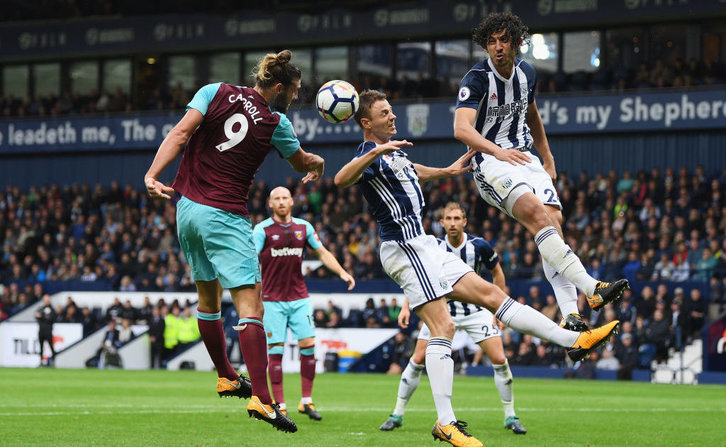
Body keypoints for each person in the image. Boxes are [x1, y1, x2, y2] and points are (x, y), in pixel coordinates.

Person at [335, 89, 619, 447]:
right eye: (385, 113)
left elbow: (412, 171)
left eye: (391, 111)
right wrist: (375, 150)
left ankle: (575, 341)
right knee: (444, 326)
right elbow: (340, 180)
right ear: (366, 123)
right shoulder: (369, 154)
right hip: (404, 248)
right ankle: (446, 422)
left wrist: (447, 170)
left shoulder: (394, 156)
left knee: (491, 293)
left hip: (425, 244)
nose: (393, 117)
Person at [144, 49, 325, 433]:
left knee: (207, 300)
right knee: (251, 307)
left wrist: (152, 174)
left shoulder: (214, 90)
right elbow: (298, 162)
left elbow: (179, 133)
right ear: (277, 88)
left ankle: (226, 374)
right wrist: (316, 163)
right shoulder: (276, 122)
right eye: (292, 93)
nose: (293, 100)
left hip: (187, 209)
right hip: (225, 216)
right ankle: (263, 398)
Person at [452, 12, 629, 333]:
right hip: (490, 161)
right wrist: (496, 150)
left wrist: (547, 158)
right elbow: (461, 129)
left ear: (517, 42)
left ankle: (570, 314)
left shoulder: (527, 73)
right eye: (491, 42)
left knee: (554, 224)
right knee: (536, 214)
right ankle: (592, 288)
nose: (498, 47)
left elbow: (531, 112)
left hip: (525, 157)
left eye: (504, 40)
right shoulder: (477, 79)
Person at [379, 202, 527, 435]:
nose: (453, 223)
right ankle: (397, 414)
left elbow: (497, 273)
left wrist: (497, 309)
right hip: (441, 310)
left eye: (457, 218)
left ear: (464, 221)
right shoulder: (432, 246)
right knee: (417, 359)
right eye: (448, 218)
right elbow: (416, 276)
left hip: (474, 311)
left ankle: (511, 416)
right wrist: (406, 306)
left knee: (499, 359)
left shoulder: (480, 246)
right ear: (442, 222)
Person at [253, 186, 355, 420]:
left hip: (300, 298)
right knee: (276, 352)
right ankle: (280, 404)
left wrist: (341, 272)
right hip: (272, 301)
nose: (281, 202)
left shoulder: (303, 227)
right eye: (276, 198)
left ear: (292, 201)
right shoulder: (262, 230)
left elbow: (323, 252)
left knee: (308, 346)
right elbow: (251, 259)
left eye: (284, 198)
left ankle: (306, 401)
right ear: (270, 203)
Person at [34, 294, 57, 367]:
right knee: (41, 347)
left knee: (51, 346)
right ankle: (41, 361)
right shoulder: (41, 309)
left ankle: (53, 361)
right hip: (41, 330)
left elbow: (51, 319)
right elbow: (37, 317)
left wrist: (42, 317)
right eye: (45, 299)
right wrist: (43, 317)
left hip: (48, 331)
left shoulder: (52, 310)